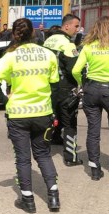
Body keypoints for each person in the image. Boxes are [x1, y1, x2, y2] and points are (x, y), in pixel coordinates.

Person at [0, 18, 60, 213]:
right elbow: (54, 84)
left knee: (23, 158)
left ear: (13, 33)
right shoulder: (48, 54)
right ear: (34, 33)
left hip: (18, 114)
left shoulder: (11, 56)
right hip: (43, 113)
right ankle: (53, 198)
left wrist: (4, 100)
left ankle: (28, 201)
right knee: (43, 154)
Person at [72, 16, 109, 182]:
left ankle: (94, 169)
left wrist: (82, 84)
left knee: (93, 131)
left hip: (92, 90)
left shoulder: (88, 46)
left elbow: (76, 70)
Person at [43, 14, 83, 167]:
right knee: (70, 123)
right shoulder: (68, 44)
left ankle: (53, 140)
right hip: (65, 87)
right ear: (66, 26)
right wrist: (80, 84)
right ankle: (70, 157)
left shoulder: (48, 40)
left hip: (49, 85)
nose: (77, 29)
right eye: (76, 26)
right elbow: (75, 69)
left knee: (54, 115)